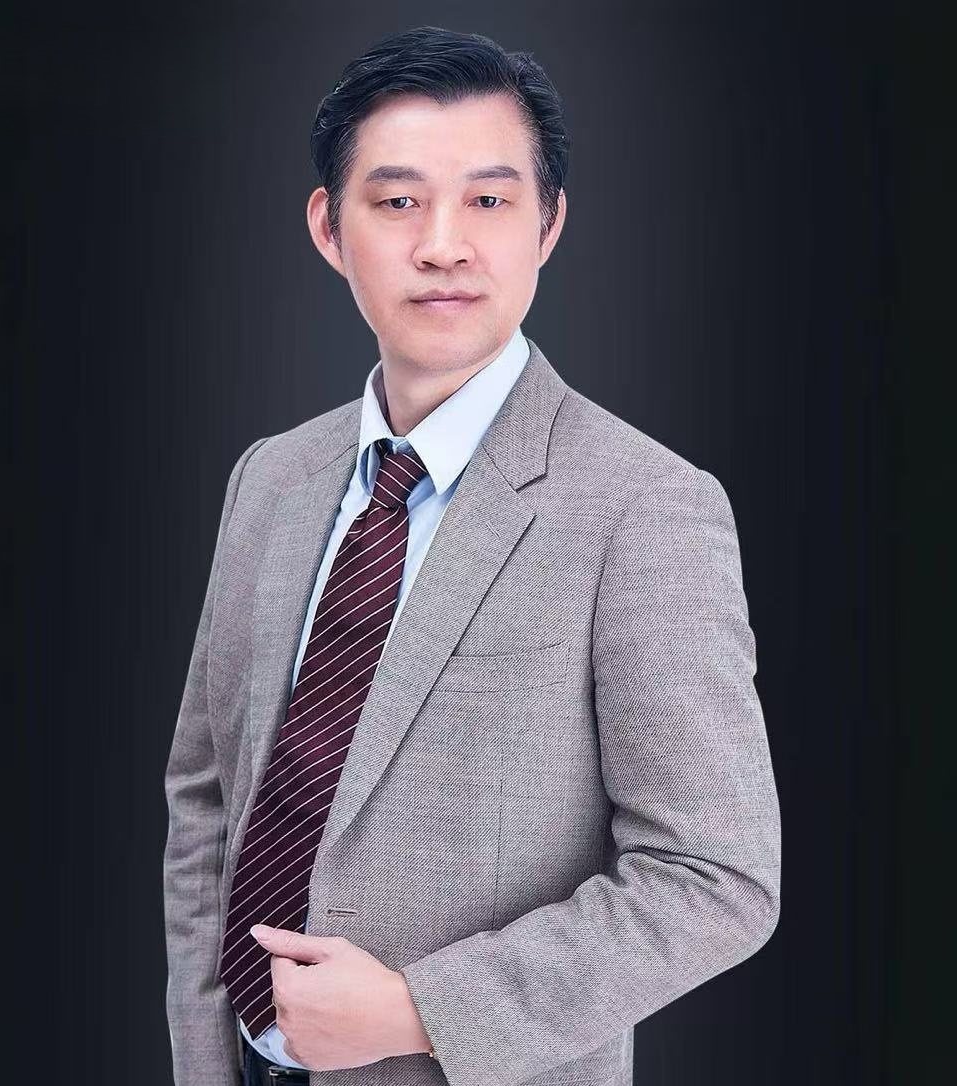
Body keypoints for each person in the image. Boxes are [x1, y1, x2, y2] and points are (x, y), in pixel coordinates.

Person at [164, 25, 780, 1086]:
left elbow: (715, 877)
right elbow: (207, 801)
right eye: (398, 201)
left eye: (488, 200)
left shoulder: (643, 507)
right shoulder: (270, 478)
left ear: (549, 225)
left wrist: (419, 1012)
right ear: (329, 227)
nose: (443, 245)